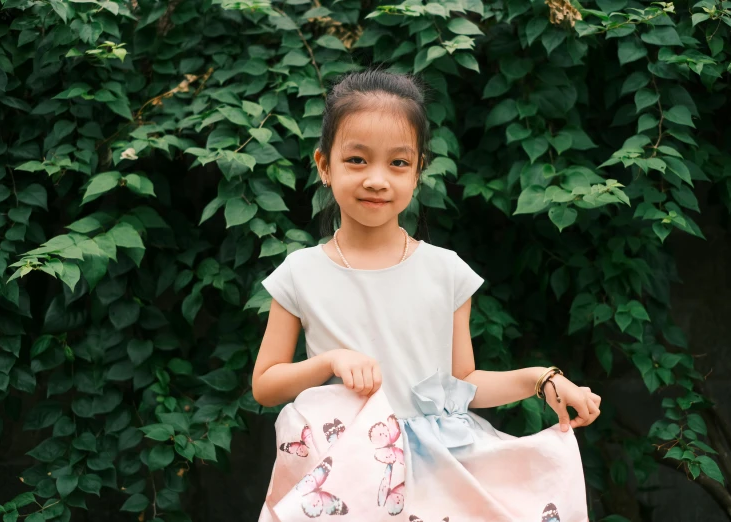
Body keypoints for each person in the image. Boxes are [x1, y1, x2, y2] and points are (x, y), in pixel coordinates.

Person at [252, 68, 601, 522]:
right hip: (349, 473)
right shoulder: (300, 272)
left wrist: (542, 379)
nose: (377, 179)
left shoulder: (445, 271)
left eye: (398, 163)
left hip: (437, 470)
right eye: (357, 160)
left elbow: (465, 384)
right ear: (324, 165)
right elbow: (265, 385)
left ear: (418, 172)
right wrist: (330, 361)